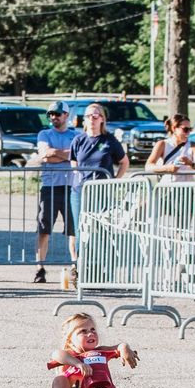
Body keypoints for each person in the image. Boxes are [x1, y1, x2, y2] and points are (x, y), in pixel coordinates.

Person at [69, 103, 129, 285]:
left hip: (102, 192)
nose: (92, 119)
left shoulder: (109, 140)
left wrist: (114, 180)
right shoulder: (78, 140)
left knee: (102, 231)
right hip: (80, 191)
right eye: (88, 116)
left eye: (96, 116)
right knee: (82, 231)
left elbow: (124, 162)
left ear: (102, 119)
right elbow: (73, 161)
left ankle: (103, 271)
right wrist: (79, 176)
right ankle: (81, 269)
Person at [33, 101, 76, 283]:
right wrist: (65, 155)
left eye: (57, 114)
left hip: (71, 186)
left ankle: (75, 265)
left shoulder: (76, 135)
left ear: (66, 115)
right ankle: (40, 267)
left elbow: (76, 156)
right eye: (50, 114)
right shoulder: (44, 134)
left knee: (73, 230)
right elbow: (44, 153)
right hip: (49, 187)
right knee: (44, 228)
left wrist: (56, 155)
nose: (54, 117)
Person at [145, 113, 195, 182]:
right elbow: (148, 166)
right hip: (166, 187)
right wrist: (168, 168)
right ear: (174, 128)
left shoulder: (193, 145)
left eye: (190, 129)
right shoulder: (162, 144)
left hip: (186, 188)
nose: (188, 133)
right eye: (185, 129)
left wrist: (190, 163)